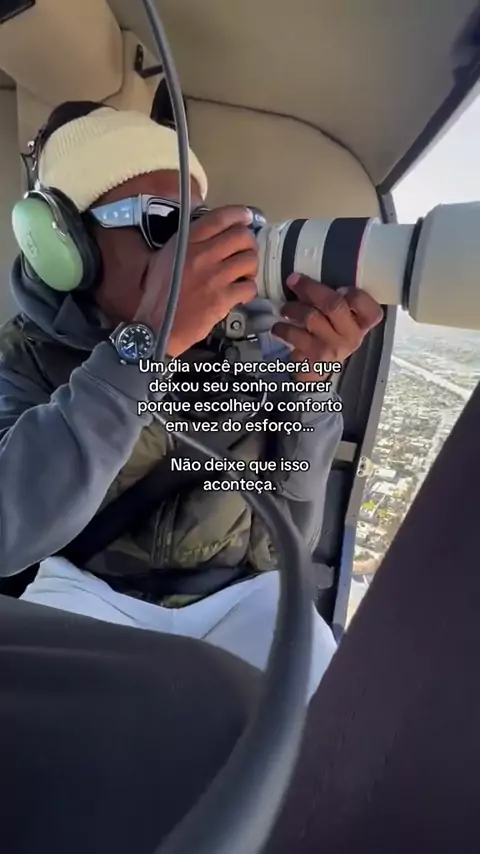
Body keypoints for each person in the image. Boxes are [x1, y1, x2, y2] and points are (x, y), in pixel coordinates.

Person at [0, 100, 382, 636]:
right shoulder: (19, 358)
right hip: (82, 603)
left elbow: (288, 541)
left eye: (197, 223)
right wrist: (145, 348)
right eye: (163, 222)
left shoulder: (252, 340)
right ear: (70, 247)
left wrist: (310, 388)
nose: (189, 252)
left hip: (237, 606)